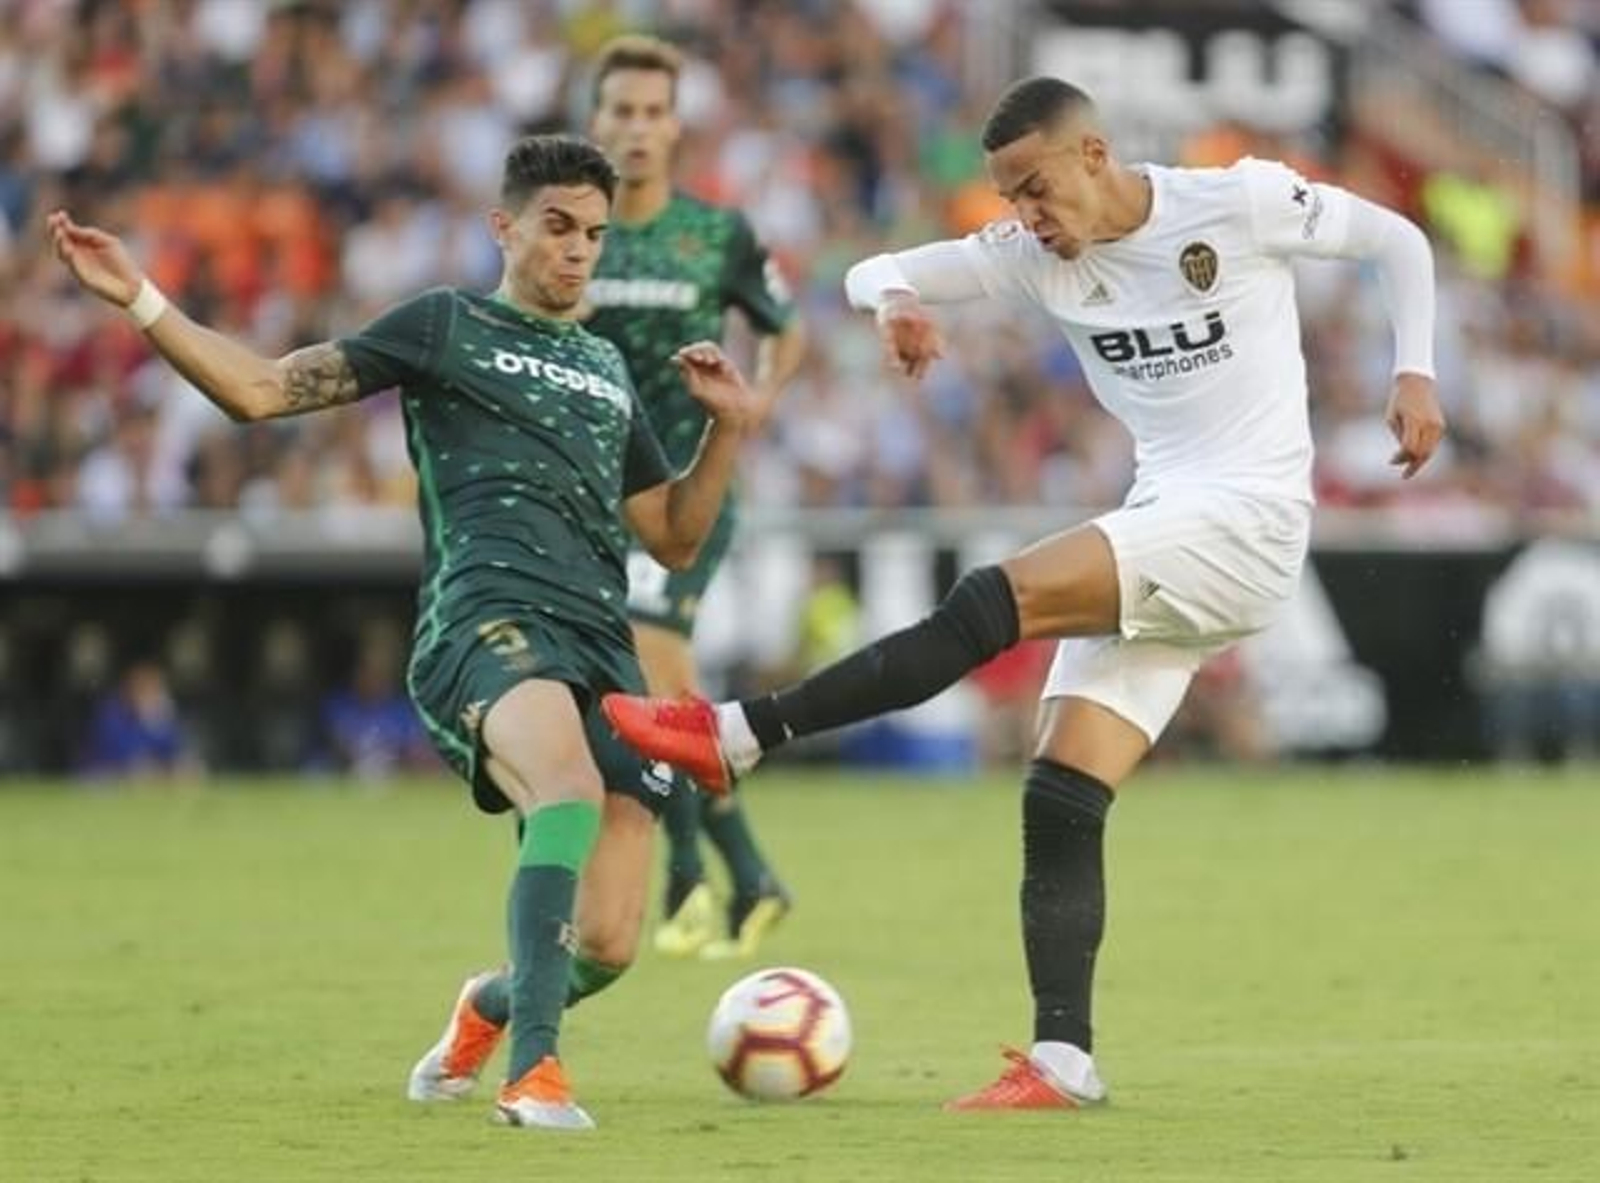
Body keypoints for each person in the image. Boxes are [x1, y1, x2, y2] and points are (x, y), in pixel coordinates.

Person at [603, 78, 1446, 1110]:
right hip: (1168, 518)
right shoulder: (1029, 257)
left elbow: (1398, 240)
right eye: (1009, 198)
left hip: (1249, 519)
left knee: (989, 598)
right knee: (1058, 794)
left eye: (1036, 189)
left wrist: (1414, 374)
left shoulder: (1237, 202)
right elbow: (873, 269)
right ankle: (1063, 1059)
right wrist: (900, 303)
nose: (1024, 218)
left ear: (1093, 155)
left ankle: (738, 733)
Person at [47, 134, 760, 1131]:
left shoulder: (604, 367)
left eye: (594, 235)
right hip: (485, 618)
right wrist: (141, 298)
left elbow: (675, 539)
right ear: (503, 226)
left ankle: (487, 1010)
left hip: (606, 648)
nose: (577, 251)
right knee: (562, 786)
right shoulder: (445, 324)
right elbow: (261, 390)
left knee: (606, 940)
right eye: (557, 227)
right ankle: (536, 1075)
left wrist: (728, 428)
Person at [584, 34, 807, 960]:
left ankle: (696, 878)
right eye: (621, 112)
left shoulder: (718, 233)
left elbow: (784, 329)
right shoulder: (574, 228)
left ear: (676, 127)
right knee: (644, 686)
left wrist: (754, 404)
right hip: (593, 496)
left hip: (687, 492)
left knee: (649, 669)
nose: (636, 129)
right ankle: (737, 876)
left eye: (651, 113)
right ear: (596, 121)